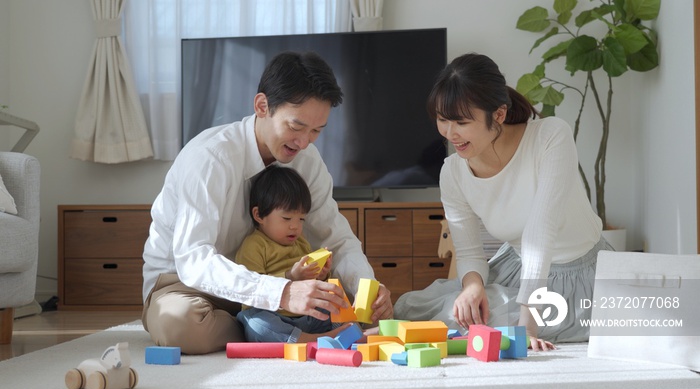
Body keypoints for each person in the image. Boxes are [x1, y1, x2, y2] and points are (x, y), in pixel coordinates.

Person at [142, 51, 393, 354]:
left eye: (316, 131)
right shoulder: (210, 158)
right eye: (296, 127)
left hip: (276, 281)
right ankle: (267, 327)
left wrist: (368, 286)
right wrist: (282, 293)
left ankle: (269, 326)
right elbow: (194, 261)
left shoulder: (307, 160)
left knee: (348, 303)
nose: (304, 142)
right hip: (188, 286)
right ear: (262, 106)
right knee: (180, 325)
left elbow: (335, 238)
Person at [393, 53, 612, 351]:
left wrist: (528, 321)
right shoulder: (453, 172)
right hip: (516, 266)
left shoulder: (550, 136)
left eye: (461, 122)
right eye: (442, 120)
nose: (450, 134)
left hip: (578, 276)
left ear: (498, 114)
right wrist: (473, 287)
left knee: (483, 325)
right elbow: (470, 251)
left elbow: (540, 230)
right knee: (414, 309)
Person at [235, 164, 352, 343]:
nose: (295, 226)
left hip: (307, 315)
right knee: (256, 323)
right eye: (287, 218)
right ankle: (316, 339)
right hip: (274, 316)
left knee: (334, 303)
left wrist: (320, 274)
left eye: (301, 219)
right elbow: (251, 291)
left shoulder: (301, 242)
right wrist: (291, 276)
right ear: (259, 215)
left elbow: (312, 286)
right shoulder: (254, 245)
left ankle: (347, 331)